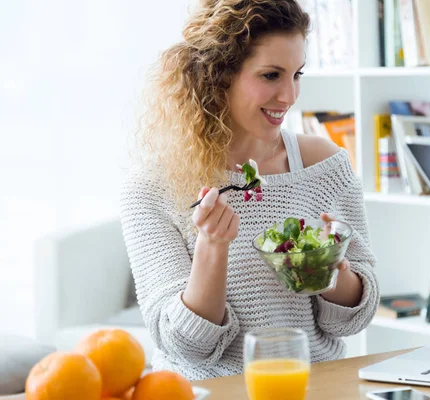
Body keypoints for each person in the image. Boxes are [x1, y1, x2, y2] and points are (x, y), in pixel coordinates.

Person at [120, 0, 380, 380]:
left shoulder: (324, 166)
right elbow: (185, 346)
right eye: (271, 75)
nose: (290, 97)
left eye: (297, 75)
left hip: (314, 386)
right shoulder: (153, 186)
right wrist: (212, 246)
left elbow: (357, 317)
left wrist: (331, 273)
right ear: (218, 76)